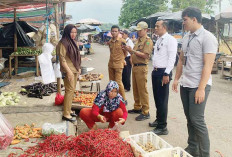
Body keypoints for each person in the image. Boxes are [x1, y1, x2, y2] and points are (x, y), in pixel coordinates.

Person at [172, 7, 218, 157]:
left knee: (197, 120)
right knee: (189, 118)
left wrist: (201, 88)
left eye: (185, 20)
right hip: (186, 83)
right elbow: (181, 60)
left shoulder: (208, 38)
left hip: (198, 86)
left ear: (194, 19)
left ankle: (204, 154)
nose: (183, 23)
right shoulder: (187, 37)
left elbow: (208, 65)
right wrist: (177, 78)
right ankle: (193, 148)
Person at [149, 20, 177, 135]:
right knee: (157, 98)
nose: (155, 28)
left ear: (164, 27)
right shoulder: (159, 39)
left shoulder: (171, 40)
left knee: (162, 100)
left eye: (157, 26)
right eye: (155, 26)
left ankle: (162, 127)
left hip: (163, 72)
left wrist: (166, 74)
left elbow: (172, 58)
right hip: (155, 71)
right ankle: (158, 119)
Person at [123, 21, 153, 121]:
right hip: (135, 67)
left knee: (142, 90)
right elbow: (134, 53)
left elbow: (145, 55)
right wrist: (130, 52)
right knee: (135, 88)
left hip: (141, 67)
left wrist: (133, 51)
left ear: (146, 30)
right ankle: (137, 107)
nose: (138, 32)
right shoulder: (138, 41)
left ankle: (145, 111)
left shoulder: (147, 41)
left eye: (140, 30)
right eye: (138, 30)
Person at [57, 24, 81, 122]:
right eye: (72, 32)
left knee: (72, 90)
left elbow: (77, 56)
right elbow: (62, 60)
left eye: (75, 32)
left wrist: (78, 68)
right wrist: (69, 72)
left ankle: (69, 109)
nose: (73, 34)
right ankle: (66, 114)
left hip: (74, 70)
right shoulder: (63, 43)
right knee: (69, 90)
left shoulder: (74, 42)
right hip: (68, 71)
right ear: (67, 32)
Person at [108, 25, 127, 100]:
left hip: (119, 65)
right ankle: (114, 98)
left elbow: (125, 52)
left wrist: (122, 59)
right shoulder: (110, 42)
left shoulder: (122, 41)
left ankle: (123, 99)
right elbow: (111, 52)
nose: (114, 32)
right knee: (112, 83)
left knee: (118, 82)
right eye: (112, 31)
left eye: (115, 31)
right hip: (111, 64)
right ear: (111, 32)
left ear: (118, 32)